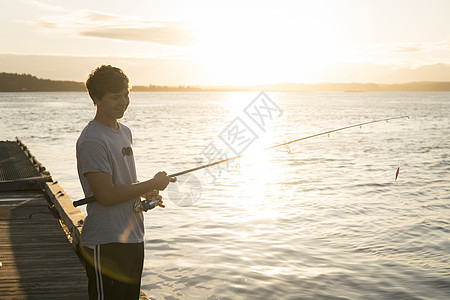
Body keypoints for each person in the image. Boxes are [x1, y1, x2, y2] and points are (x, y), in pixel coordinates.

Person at [76, 65, 176, 300]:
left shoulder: (124, 132)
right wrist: (151, 182)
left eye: (126, 94)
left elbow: (123, 181)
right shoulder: (92, 140)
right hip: (106, 240)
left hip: (133, 236)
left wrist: (147, 191)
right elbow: (106, 195)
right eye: (115, 97)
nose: (123, 102)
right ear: (96, 99)